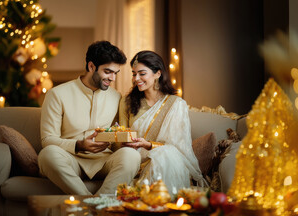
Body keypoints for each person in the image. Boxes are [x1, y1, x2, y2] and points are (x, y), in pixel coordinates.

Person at [38, 41, 141, 195]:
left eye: (115, 73)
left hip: (104, 160)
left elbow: (116, 136)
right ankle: (91, 203)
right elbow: (48, 139)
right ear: (91, 66)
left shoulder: (116, 97)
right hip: (71, 158)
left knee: (132, 155)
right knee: (47, 155)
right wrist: (79, 145)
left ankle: (99, 201)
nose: (112, 78)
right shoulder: (57, 94)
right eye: (107, 71)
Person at [119, 50, 206, 194]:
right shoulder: (127, 102)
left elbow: (178, 147)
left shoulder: (176, 104)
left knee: (165, 154)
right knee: (163, 155)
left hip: (165, 161)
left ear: (158, 73)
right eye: (134, 74)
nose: (136, 79)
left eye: (142, 73)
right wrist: (123, 142)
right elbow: (120, 137)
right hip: (134, 160)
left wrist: (148, 145)